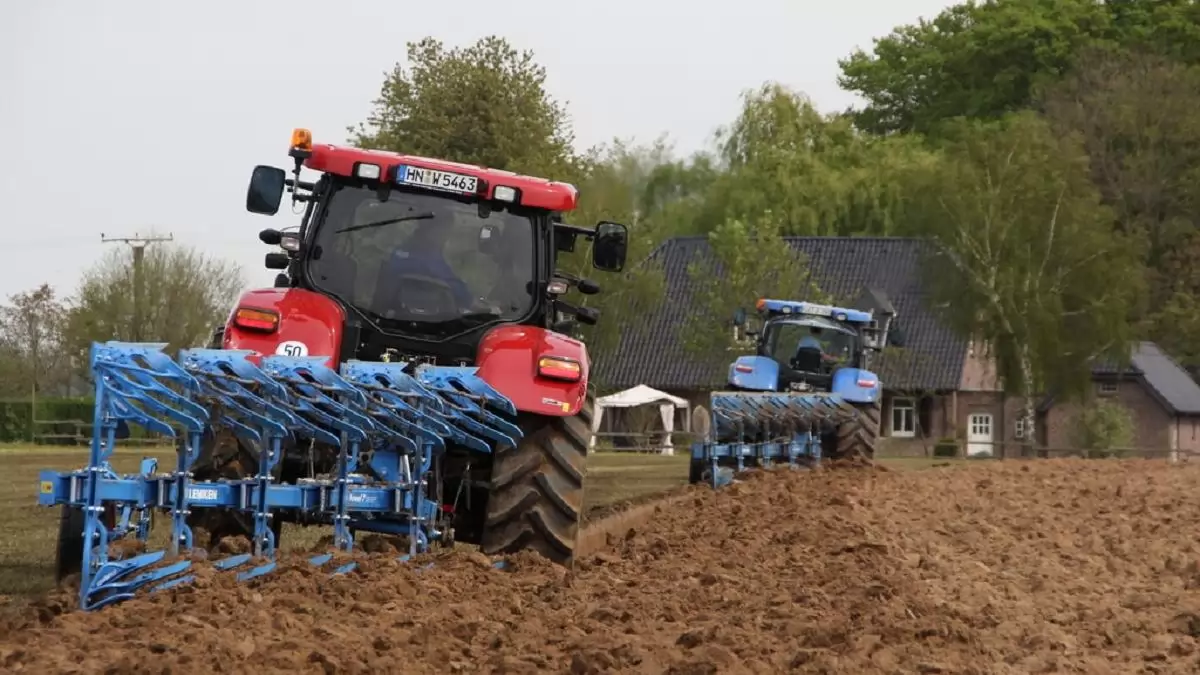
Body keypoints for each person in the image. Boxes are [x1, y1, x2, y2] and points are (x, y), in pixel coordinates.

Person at [375, 220, 475, 311]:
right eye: (444, 232)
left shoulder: (399, 251)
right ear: (432, 230)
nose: (445, 237)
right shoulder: (429, 257)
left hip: (390, 315)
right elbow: (451, 282)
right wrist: (471, 302)